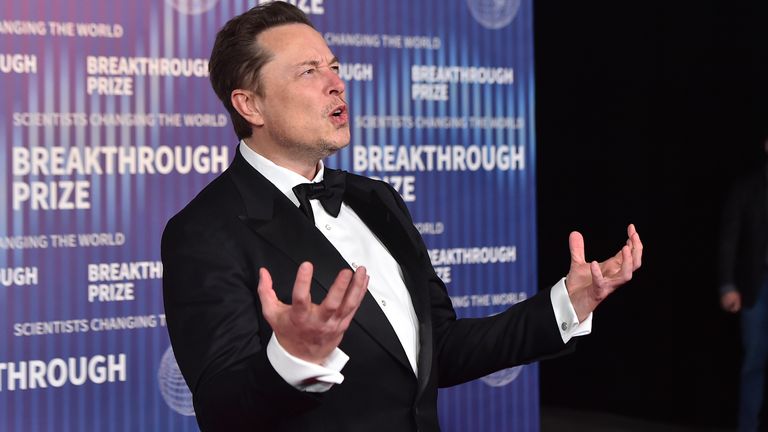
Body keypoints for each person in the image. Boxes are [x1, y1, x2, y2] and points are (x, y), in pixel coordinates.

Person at [161, 3, 643, 431]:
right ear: (251, 104)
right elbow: (223, 412)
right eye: (308, 72)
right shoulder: (204, 230)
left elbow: (442, 351)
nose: (336, 82)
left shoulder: (377, 200)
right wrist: (292, 359)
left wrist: (567, 304)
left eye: (333, 65)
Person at [719, 137, 768, 432]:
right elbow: (729, 239)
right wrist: (727, 285)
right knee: (754, 361)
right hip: (757, 285)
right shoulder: (747, 188)